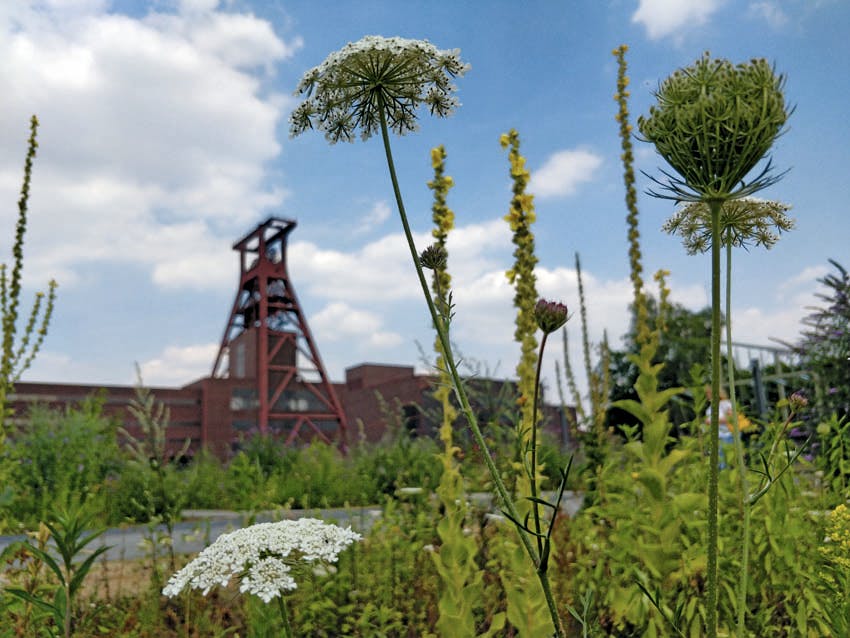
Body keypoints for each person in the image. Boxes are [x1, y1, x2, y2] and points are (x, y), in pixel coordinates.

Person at [705, 385, 734, 467]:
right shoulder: (709, 408)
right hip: (715, 437)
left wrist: (713, 421)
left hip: (727, 436)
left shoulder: (726, 404)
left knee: (727, 460)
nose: (707, 396)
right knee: (717, 461)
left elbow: (731, 419)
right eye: (707, 394)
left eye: (709, 393)